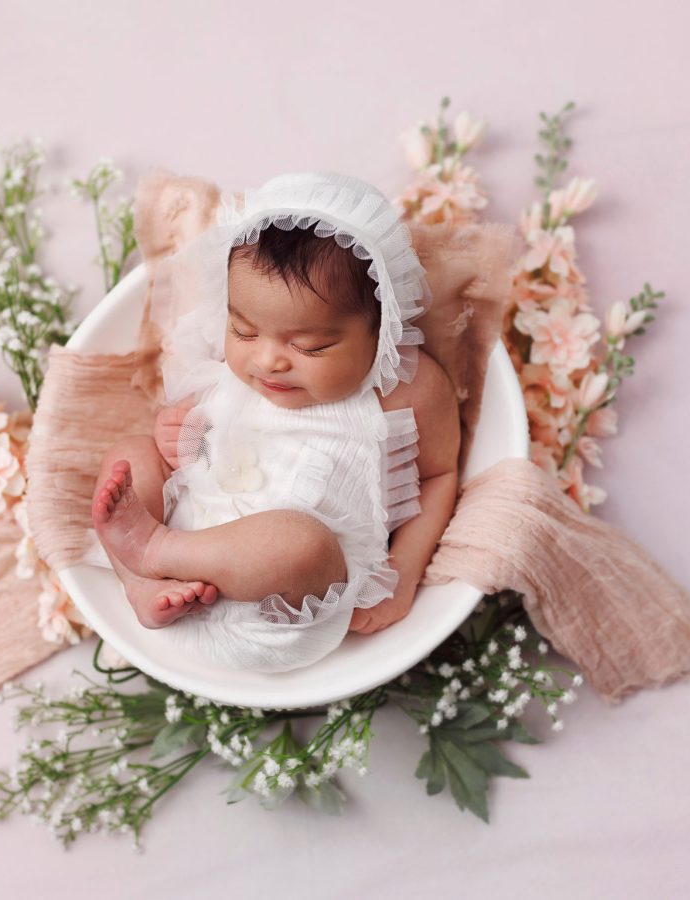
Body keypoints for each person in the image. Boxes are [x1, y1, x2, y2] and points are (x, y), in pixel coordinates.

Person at [90, 172, 460, 671]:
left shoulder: (405, 389)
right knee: (131, 456)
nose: (267, 361)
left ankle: (154, 550)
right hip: (176, 586)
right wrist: (177, 433)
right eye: (242, 330)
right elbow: (197, 450)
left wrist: (405, 571)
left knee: (299, 542)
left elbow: (440, 475)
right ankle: (139, 580)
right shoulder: (229, 368)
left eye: (310, 347)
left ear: (383, 323)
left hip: (283, 608)